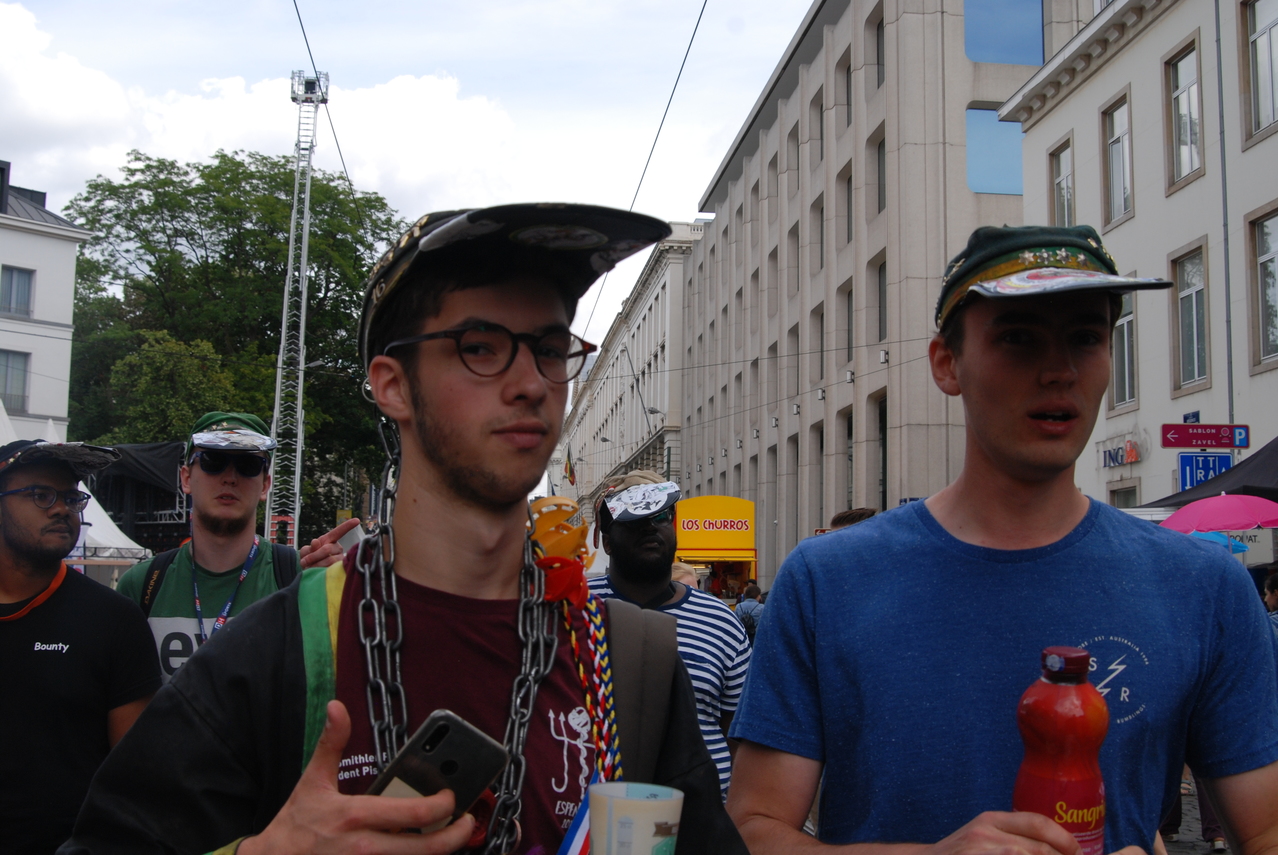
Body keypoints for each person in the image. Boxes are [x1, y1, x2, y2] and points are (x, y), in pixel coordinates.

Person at [62, 204, 746, 855]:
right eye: (481, 347)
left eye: (548, 348)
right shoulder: (279, 651)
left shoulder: (625, 660)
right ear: (392, 385)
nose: (532, 383)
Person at [725, 224, 1278, 854]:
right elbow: (753, 829)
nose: (1059, 371)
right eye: (1018, 338)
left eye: (1086, 338)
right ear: (947, 363)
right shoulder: (827, 581)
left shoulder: (1204, 588)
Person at [0, 440, 161, 854]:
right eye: (41, 494)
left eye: (72, 498)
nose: (61, 509)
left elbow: (136, 777)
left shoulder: (114, 620)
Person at [115, 412, 360, 680]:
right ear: (186, 478)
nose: (230, 477)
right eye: (213, 461)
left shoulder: (299, 578)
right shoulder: (142, 585)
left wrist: (339, 593)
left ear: (265, 485)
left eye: (248, 464)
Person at [587, 470, 752, 799]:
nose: (650, 527)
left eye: (660, 515)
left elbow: (740, 734)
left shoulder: (721, 621)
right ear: (607, 540)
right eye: (634, 518)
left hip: (698, 817)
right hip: (589, 819)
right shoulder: (573, 609)